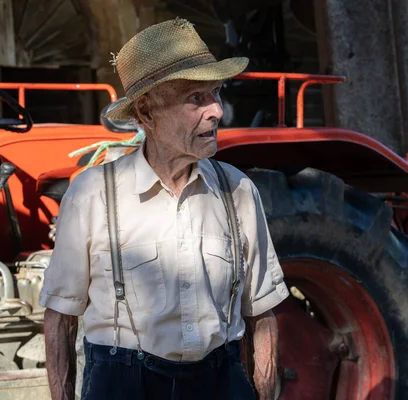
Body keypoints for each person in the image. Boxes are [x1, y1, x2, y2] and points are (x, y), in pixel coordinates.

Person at [39, 17, 290, 400]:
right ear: (146, 113)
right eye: (195, 99)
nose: (217, 112)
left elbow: (262, 311)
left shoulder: (237, 190)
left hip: (220, 379)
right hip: (123, 382)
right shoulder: (93, 194)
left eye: (216, 93)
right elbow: (60, 318)